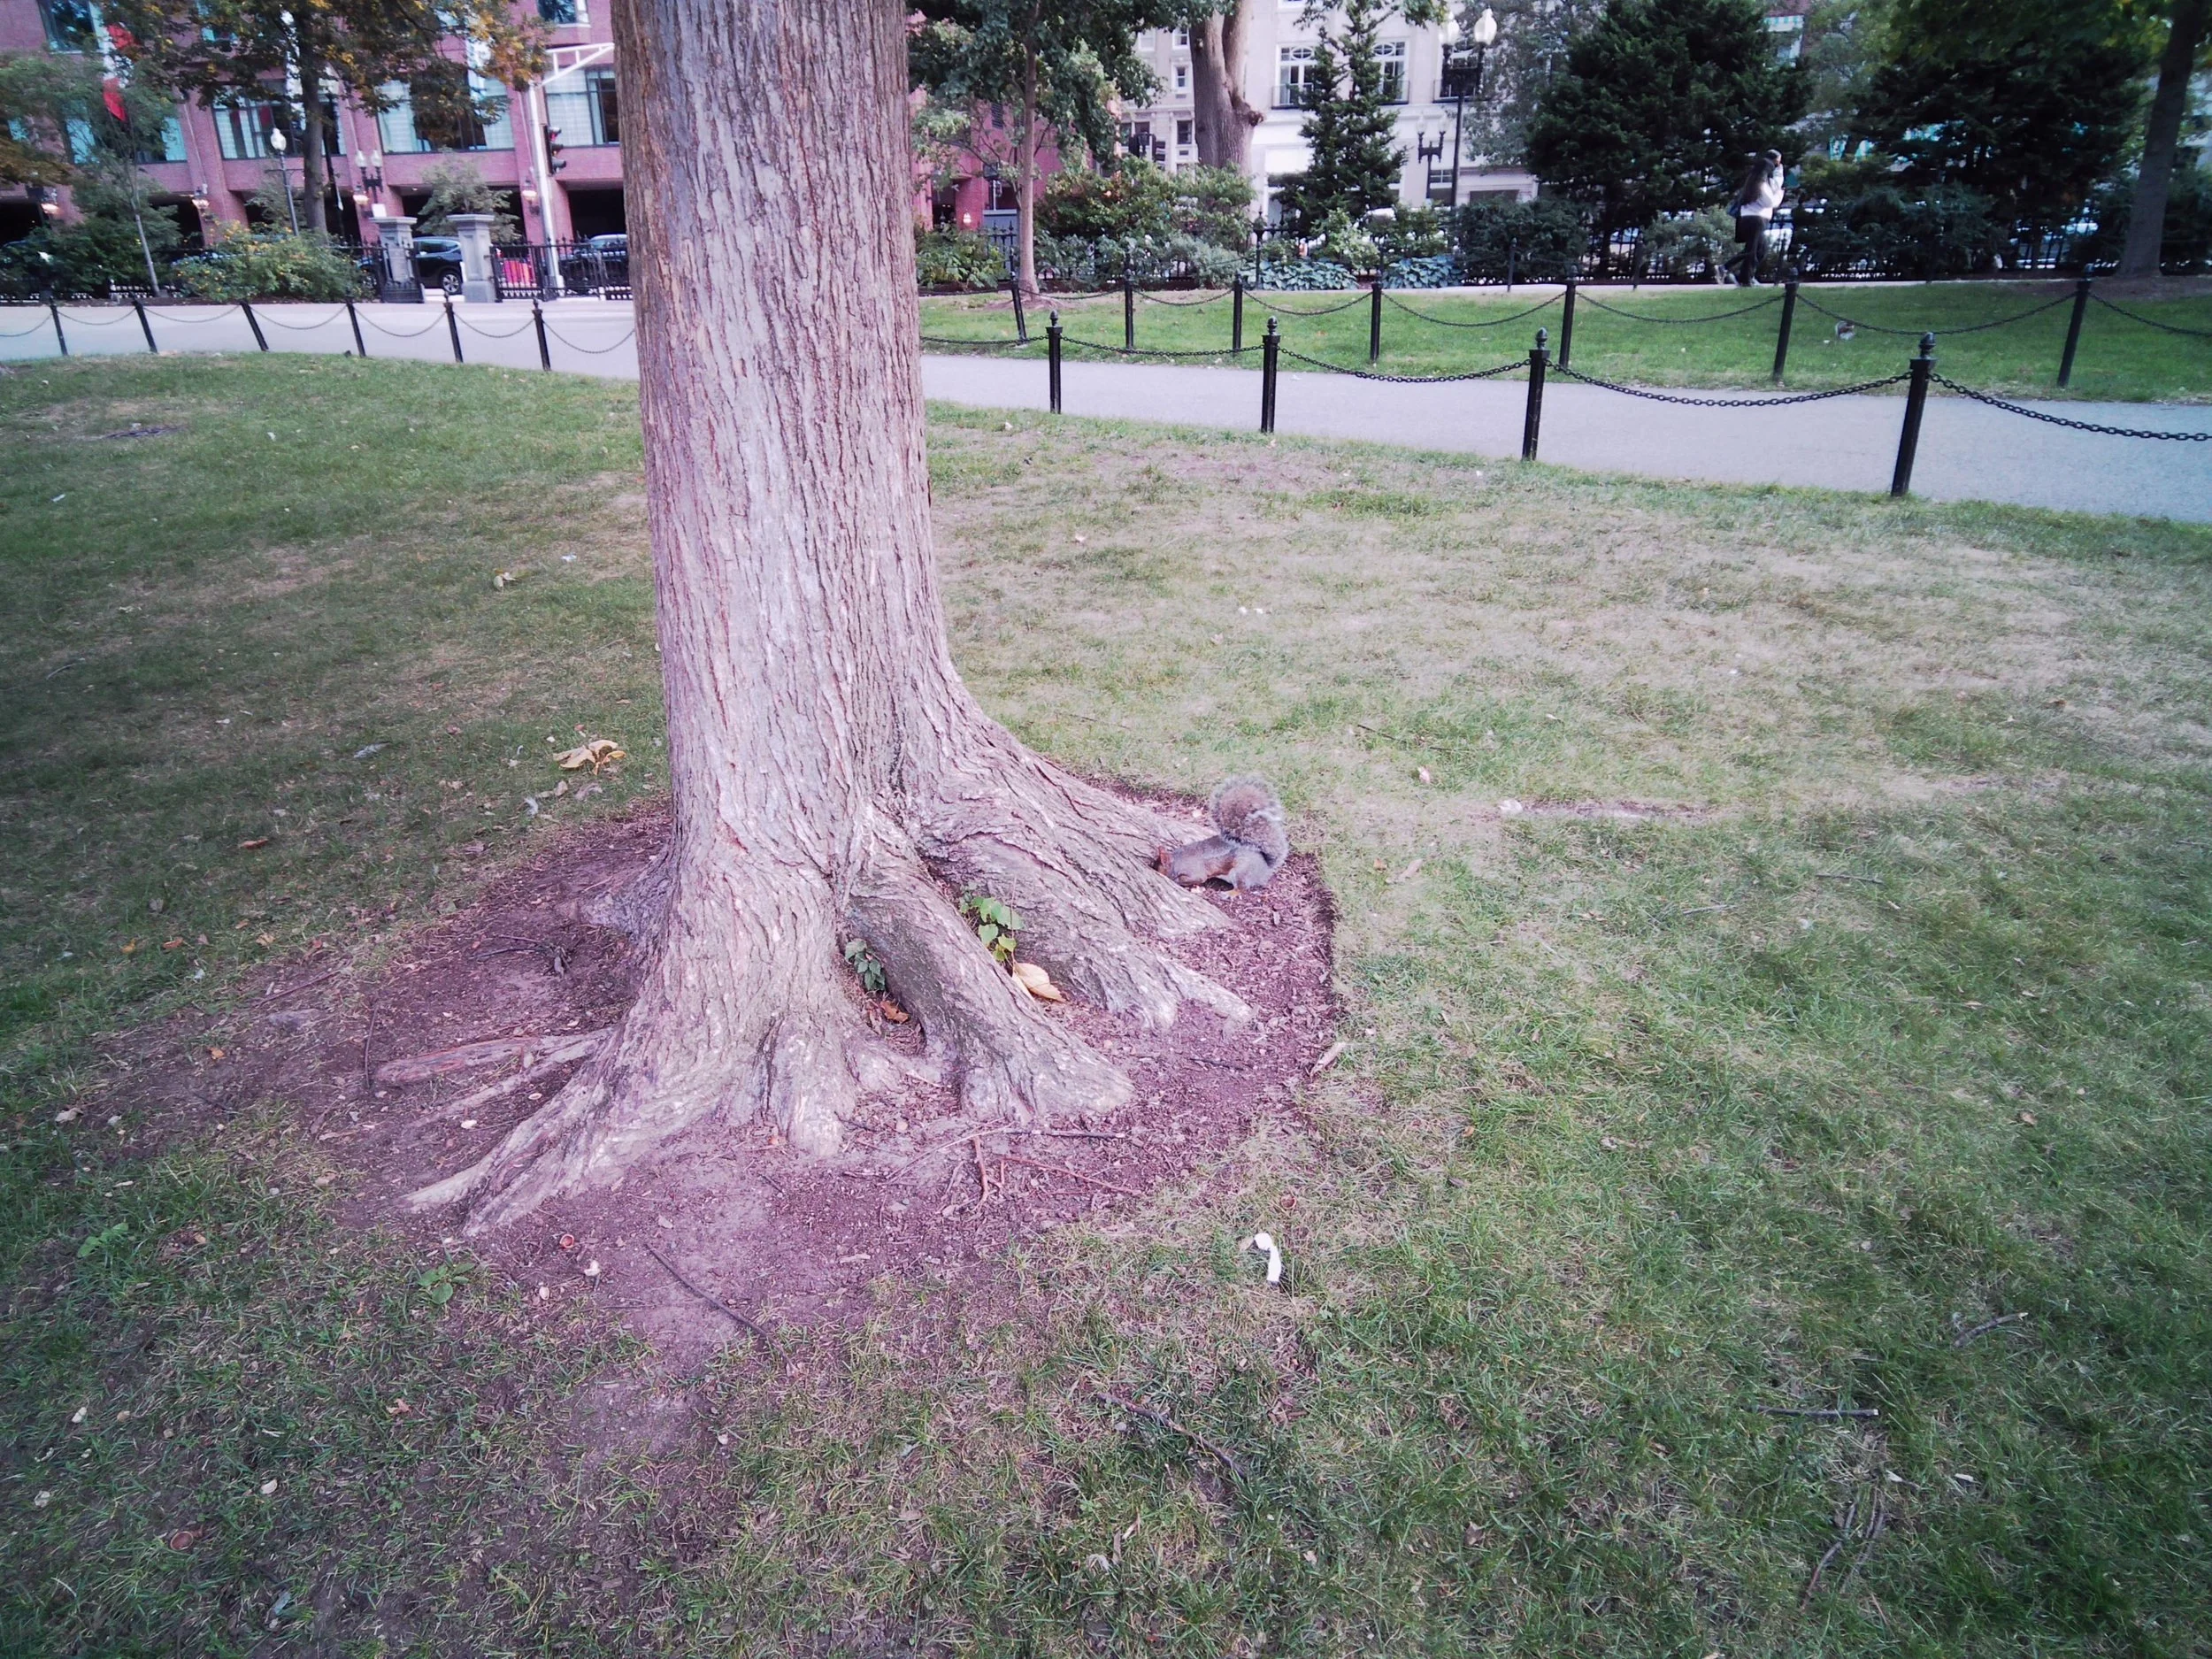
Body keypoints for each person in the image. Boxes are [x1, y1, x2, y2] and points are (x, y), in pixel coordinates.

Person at [1727, 150, 1785, 286]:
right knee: (1752, 250)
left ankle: (1744, 276)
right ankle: (1739, 276)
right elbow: (1771, 202)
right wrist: (1780, 194)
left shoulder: (1753, 182)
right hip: (1756, 219)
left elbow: (1775, 184)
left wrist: (1779, 173)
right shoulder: (1761, 185)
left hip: (1750, 217)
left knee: (1760, 249)